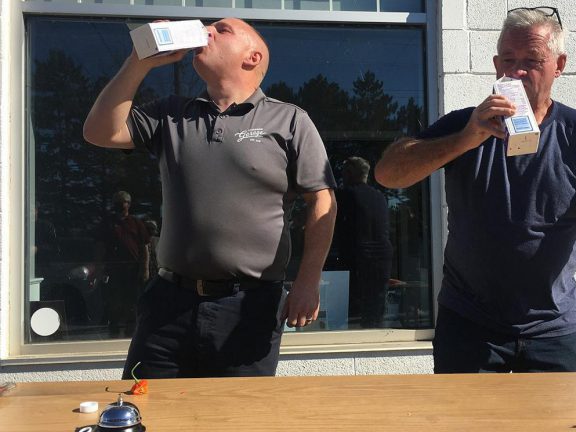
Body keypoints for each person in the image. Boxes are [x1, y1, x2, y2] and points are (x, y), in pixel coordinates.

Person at [375, 7, 576, 381]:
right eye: (508, 60)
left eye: (531, 61)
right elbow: (388, 174)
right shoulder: (466, 124)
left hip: (555, 329)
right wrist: (464, 139)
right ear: (495, 63)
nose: (516, 72)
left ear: (559, 65)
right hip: (470, 328)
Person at [83, 17, 337, 378]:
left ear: (252, 57)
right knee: (147, 413)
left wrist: (308, 281)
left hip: (249, 306)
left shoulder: (289, 120)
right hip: (168, 304)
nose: (206, 31)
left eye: (222, 29)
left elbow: (323, 201)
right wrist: (139, 61)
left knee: (237, 417)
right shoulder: (171, 113)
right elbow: (98, 132)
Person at [335, 156, 393, 328]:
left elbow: (336, 226)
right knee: (375, 307)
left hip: (359, 258)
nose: (342, 177)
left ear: (350, 173)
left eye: (344, 172)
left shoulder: (347, 195)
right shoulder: (379, 196)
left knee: (353, 308)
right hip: (382, 258)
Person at [95, 190, 151, 338]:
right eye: (117, 203)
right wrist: (100, 267)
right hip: (113, 269)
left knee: (132, 301)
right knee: (114, 300)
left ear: (129, 204)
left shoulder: (136, 223)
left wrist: (145, 269)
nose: (120, 205)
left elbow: (144, 248)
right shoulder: (107, 223)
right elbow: (100, 246)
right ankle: (113, 330)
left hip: (132, 269)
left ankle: (131, 331)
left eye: (123, 202)